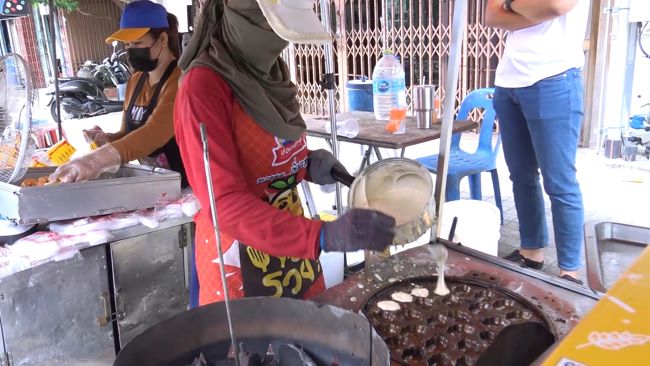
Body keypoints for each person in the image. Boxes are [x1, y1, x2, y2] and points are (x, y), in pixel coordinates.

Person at [175, 0, 396, 305]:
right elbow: (224, 203)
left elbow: (267, 153)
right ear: (242, 17)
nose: (278, 41)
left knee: (312, 343)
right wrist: (322, 236)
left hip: (295, 254)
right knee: (256, 352)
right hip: (238, 262)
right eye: (270, 26)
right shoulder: (203, 89)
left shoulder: (270, 73)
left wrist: (305, 163)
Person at [485, 0, 590, 284]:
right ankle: (531, 251)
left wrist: (511, 7)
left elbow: (556, 6)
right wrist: (527, 9)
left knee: (559, 182)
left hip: (554, 79)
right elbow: (492, 15)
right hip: (508, 84)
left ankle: (570, 271)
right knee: (521, 176)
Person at [49, 0, 187, 188]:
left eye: (138, 42)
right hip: (156, 184)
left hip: (187, 185)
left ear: (162, 39)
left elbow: (154, 133)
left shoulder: (181, 81)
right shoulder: (136, 81)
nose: (131, 50)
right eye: (128, 44)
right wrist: (107, 140)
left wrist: (94, 161)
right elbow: (127, 133)